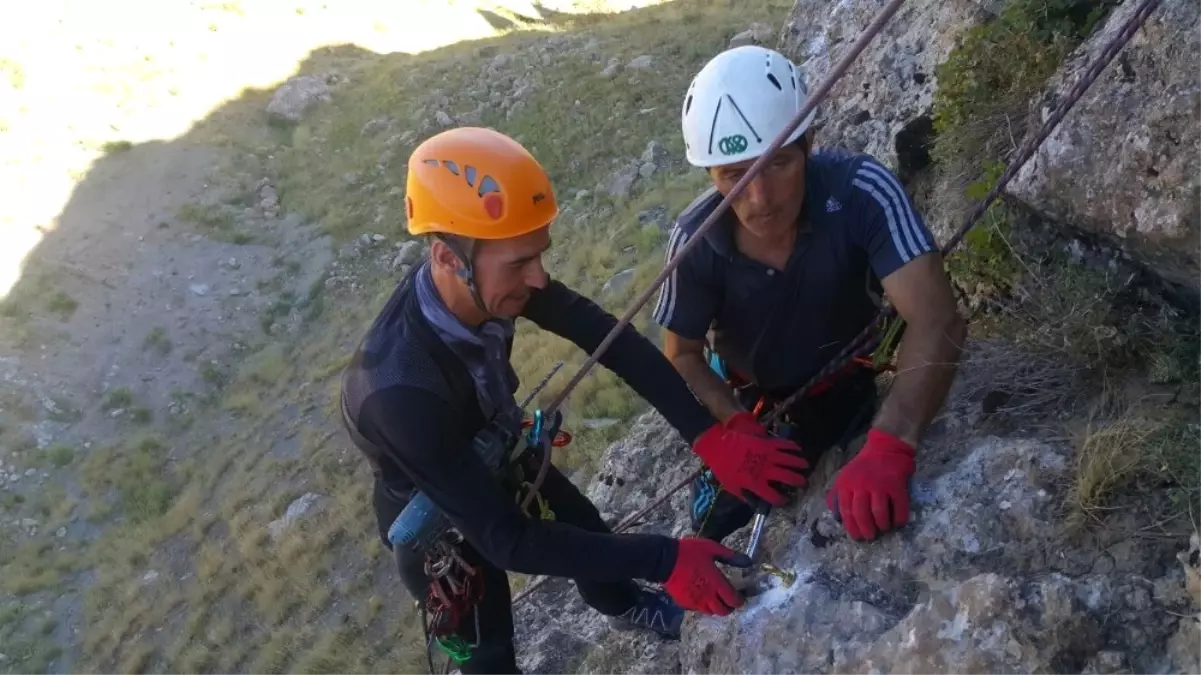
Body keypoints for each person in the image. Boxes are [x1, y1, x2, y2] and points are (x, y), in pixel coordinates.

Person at [338, 126, 811, 675]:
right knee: (489, 652)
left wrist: (707, 434)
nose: (538, 279)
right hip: (438, 515)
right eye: (519, 263)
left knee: (586, 529)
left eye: (539, 256)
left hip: (494, 446)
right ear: (447, 257)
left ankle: (626, 606)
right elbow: (509, 542)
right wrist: (668, 558)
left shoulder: (480, 281)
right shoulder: (400, 393)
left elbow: (609, 339)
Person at [654, 45, 967, 545]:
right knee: (722, 522)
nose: (760, 199)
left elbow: (938, 320)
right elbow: (682, 355)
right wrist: (733, 424)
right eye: (735, 175)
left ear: (809, 143)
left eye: (778, 164)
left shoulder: (862, 193)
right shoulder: (695, 242)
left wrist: (892, 443)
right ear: (710, 176)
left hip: (849, 377)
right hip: (754, 399)